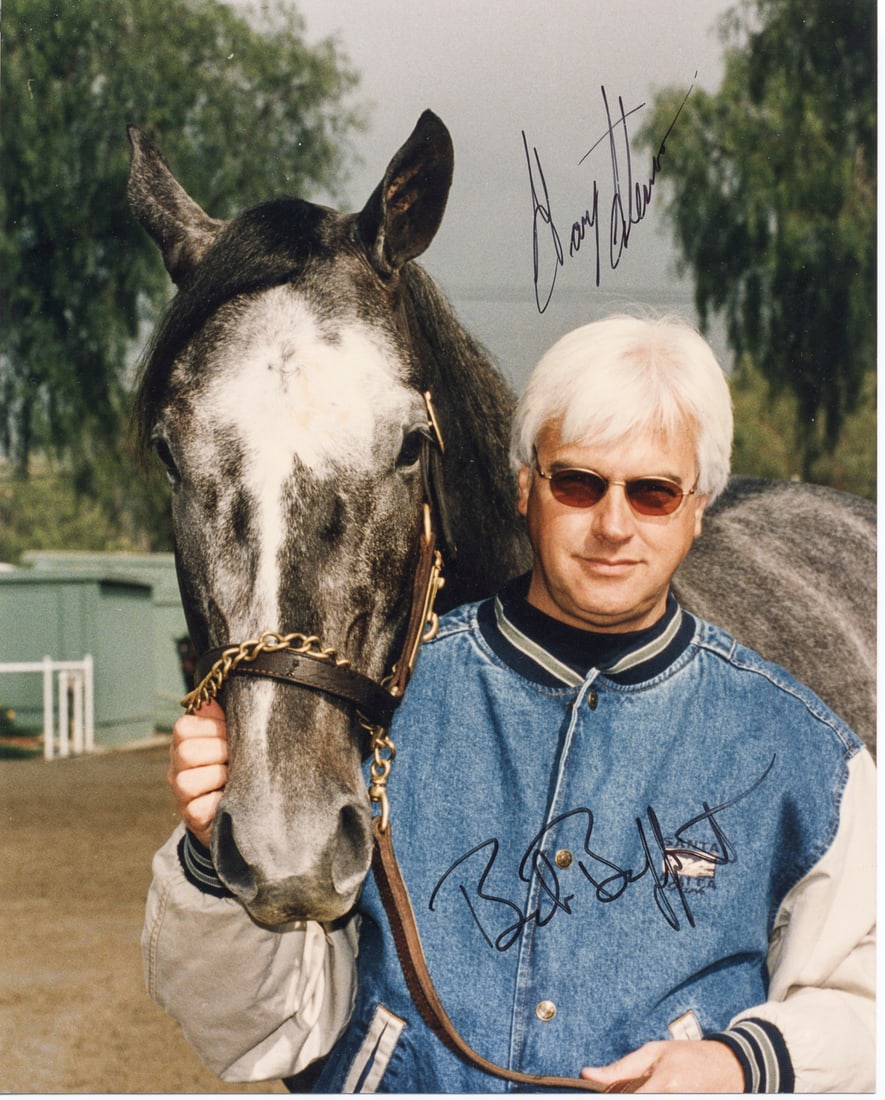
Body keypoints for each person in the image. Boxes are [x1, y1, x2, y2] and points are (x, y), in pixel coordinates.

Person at [144, 316, 876, 1093]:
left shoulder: (803, 752)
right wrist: (210, 861)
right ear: (524, 486)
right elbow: (254, 1030)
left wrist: (738, 1063)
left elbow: (866, 1005)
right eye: (578, 483)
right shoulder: (373, 712)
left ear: (699, 506)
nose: (613, 525)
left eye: (653, 493)